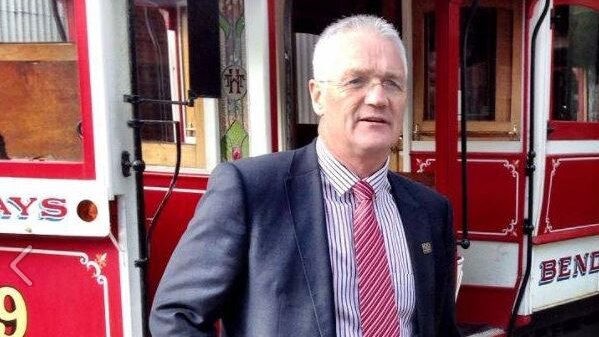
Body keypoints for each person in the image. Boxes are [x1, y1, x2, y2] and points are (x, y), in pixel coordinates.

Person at [150, 14, 461, 337]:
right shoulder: (251, 191)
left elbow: (440, 328)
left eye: (392, 83)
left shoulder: (431, 211)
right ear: (317, 96)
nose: (377, 98)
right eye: (356, 80)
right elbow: (176, 315)